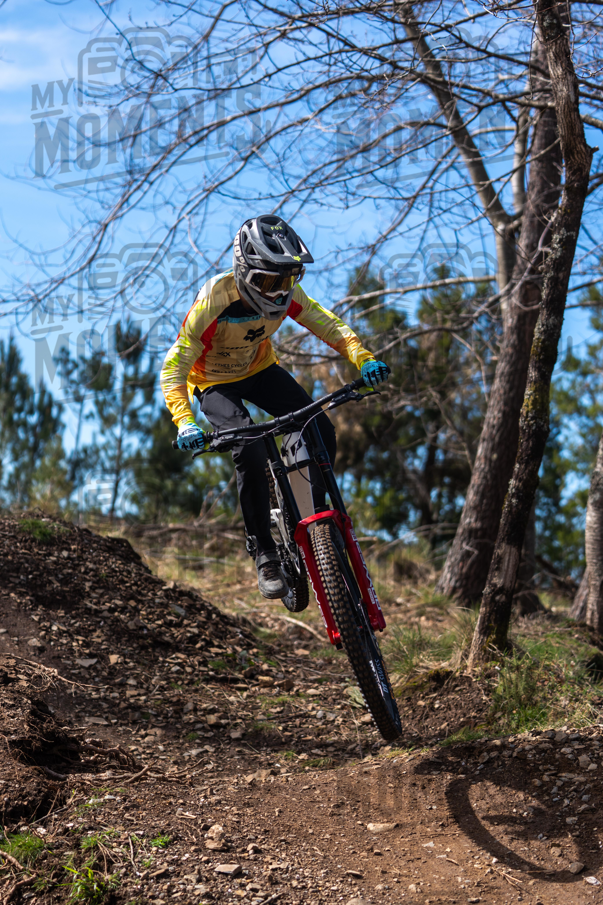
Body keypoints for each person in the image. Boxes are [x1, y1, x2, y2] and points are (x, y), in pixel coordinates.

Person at [160, 215, 390, 599]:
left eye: (288, 281)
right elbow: (173, 368)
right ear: (244, 273)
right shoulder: (214, 301)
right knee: (248, 448)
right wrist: (185, 421)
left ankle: (315, 523)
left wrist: (362, 358)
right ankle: (264, 551)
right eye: (269, 282)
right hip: (213, 382)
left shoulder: (288, 293)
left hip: (260, 369)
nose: (280, 293)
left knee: (319, 428)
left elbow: (327, 324)